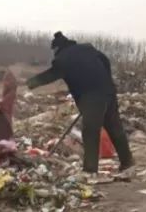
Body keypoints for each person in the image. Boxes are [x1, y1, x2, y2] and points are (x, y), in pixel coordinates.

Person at [25, 32, 134, 175]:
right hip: (108, 91)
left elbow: (50, 75)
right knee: (114, 127)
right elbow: (105, 61)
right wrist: (107, 81)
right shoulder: (88, 49)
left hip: (91, 95)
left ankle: (90, 170)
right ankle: (127, 162)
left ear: (58, 48)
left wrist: (30, 83)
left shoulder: (63, 59)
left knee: (90, 131)